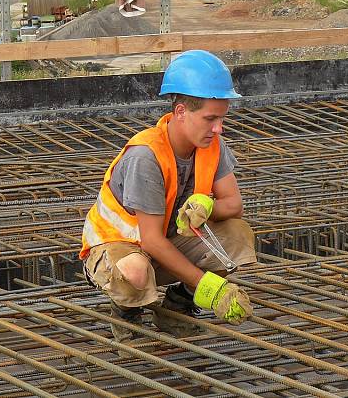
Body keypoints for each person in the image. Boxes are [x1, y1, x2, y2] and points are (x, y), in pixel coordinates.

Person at [80, 50, 256, 344]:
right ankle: (127, 314)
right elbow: (151, 241)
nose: (218, 128)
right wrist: (210, 289)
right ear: (181, 112)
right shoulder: (146, 156)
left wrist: (208, 206)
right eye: (210, 118)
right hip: (118, 249)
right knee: (135, 273)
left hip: (165, 243)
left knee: (237, 237)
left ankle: (176, 308)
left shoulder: (212, 144)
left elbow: (234, 204)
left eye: (222, 118)